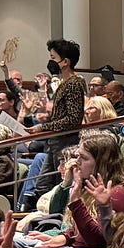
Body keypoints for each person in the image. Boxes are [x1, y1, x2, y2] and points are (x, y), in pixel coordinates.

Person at [37, 38, 88, 193]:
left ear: (65, 61)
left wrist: (42, 127)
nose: (51, 61)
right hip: (56, 140)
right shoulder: (65, 82)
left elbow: (72, 119)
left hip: (64, 141)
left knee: (59, 184)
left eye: (53, 58)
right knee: (44, 184)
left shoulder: (73, 83)